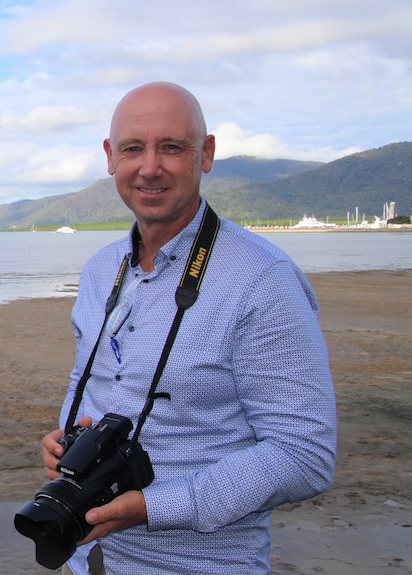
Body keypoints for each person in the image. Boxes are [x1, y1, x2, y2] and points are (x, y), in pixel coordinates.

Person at [41, 82, 337, 575]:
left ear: (207, 154)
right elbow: (89, 381)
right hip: (86, 554)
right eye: (134, 148)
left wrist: (155, 507)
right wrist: (64, 442)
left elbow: (304, 454)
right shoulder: (100, 269)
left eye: (172, 147)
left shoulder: (264, 281)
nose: (150, 167)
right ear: (111, 157)